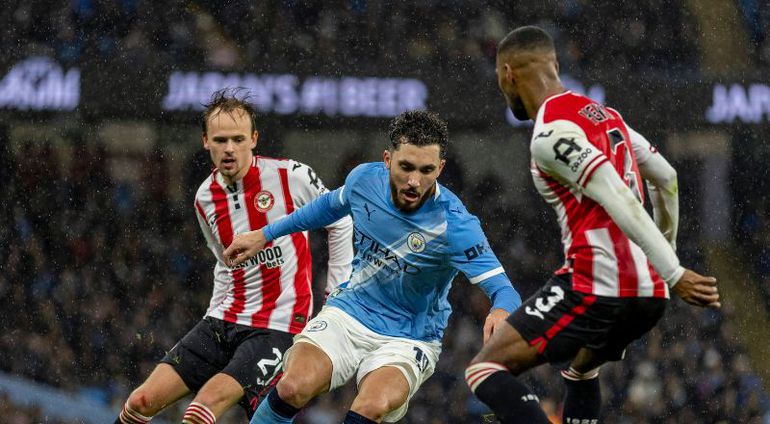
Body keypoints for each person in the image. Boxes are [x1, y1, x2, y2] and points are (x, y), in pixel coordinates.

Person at [464, 26, 721, 424]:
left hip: (597, 286)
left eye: (499, 77)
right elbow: (666, 178)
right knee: (581, 369)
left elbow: (617, 195)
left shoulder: (549, 134)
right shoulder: (607, 117)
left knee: (484, 371)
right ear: (555, 65)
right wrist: (662, 267)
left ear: (508, 73)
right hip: (647, 297)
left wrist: (675, 271)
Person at [223, 110, 522, 424]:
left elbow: (504, 290)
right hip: (350, 311)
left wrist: (500, 310)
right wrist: (265, 234)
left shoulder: (456, 225)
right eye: (405, 167)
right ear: (387, 159)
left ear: (441, 168)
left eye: (426, 170)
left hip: (409, 338)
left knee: (369, 407)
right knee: (292, 386)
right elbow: (328, 207)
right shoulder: (363, 180)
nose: (414, 181)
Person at [115, 89, 354, 424]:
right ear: (205, 141)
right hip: (223, 321)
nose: (229, 148)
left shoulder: (291, 176)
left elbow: (340, 219)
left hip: (277, 326)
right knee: (140, 401)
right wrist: (216, 311)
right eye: (221, 139)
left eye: (238, 139)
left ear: (254, 139)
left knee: (201, 409)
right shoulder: (204, 198)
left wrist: (336, 293)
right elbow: (224, 262)